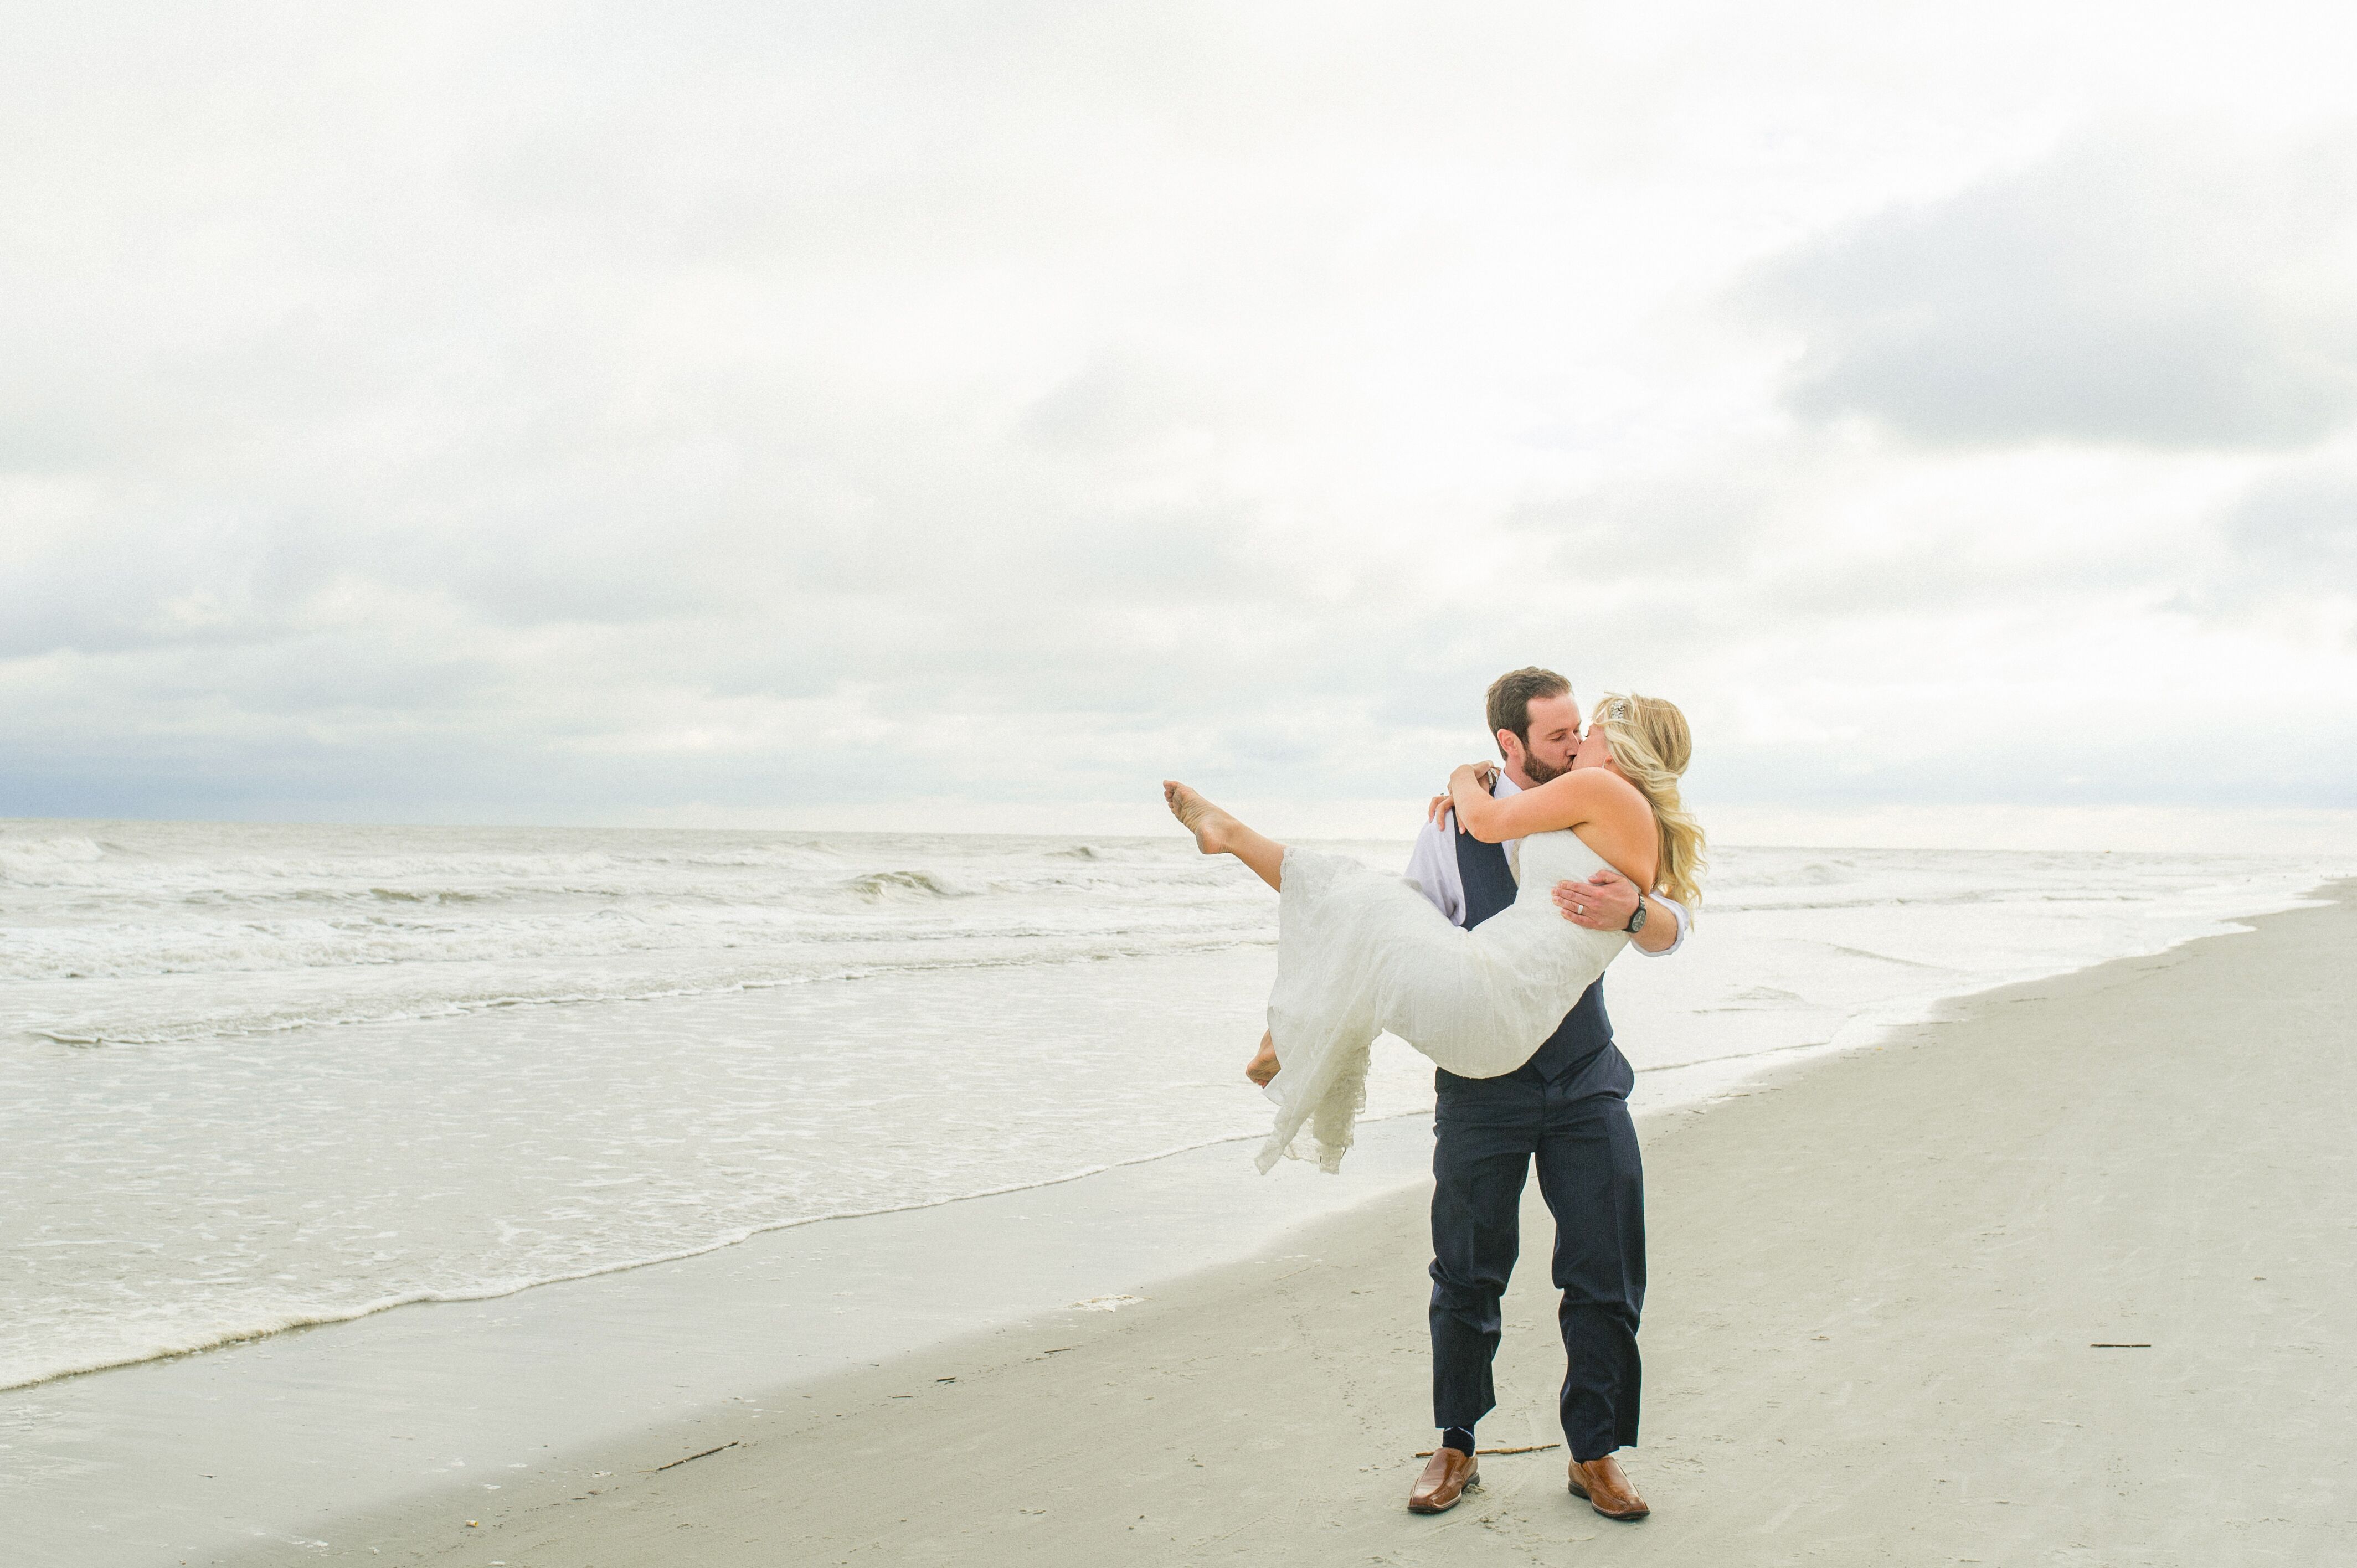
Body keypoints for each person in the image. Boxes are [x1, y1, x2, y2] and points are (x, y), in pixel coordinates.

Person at [1164, 675, 1704, 1525]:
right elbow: (1413, 933)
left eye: (1580, 732)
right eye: (1556, 736)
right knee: (1467, 1272)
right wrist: (1463, 794)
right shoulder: (1456, 831)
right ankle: (1456, 1443)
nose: (1571, 746)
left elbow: (1675, 926)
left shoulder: (1593, 806)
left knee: (1605, 1272)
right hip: (1486, 1087)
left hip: (1584, 1079)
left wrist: (1640, 911)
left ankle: (1596, 1455)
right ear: (1510, 744)